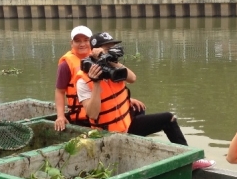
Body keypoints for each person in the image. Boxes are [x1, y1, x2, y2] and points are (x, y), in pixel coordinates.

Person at [74, 32, 214, 170]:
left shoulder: (113, 67)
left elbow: (132, 78)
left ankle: (187, 159)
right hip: (110, 135)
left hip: (126, 124)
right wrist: (96, 83)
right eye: (107, 48)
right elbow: (92, 114)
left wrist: (109, 60)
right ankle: (188, 160)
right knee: (167, 118)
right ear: (95, 50)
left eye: (112, 48)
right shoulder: (83, 80)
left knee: (144, 110)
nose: (112, 51)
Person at [54, 25, 94, 129]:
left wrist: (126, 100)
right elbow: (60, 91)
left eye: (86, 40)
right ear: (72, 43)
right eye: (78, 41)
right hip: (83, 116)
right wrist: (60, 116)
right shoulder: (65, 65)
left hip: (101, 110)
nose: (82, 44)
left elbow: (109, 85)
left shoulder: (98, 57)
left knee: (138, 112)